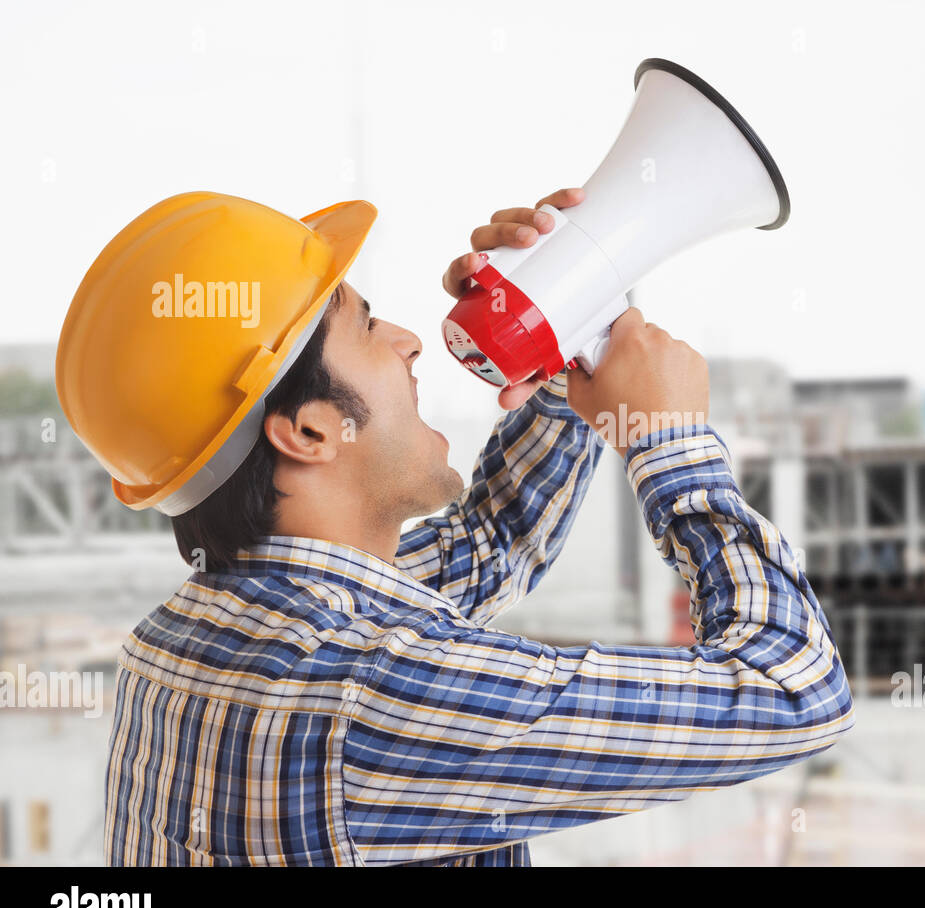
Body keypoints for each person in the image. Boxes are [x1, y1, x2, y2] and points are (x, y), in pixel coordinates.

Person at [58, 188, 855, 866]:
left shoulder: (183, 637)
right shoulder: (365, 689)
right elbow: (793, 688)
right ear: (305, 432)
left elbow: (492, 543)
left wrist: (569, 319)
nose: (409, 340)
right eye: (367, 328)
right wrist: (667, 442)